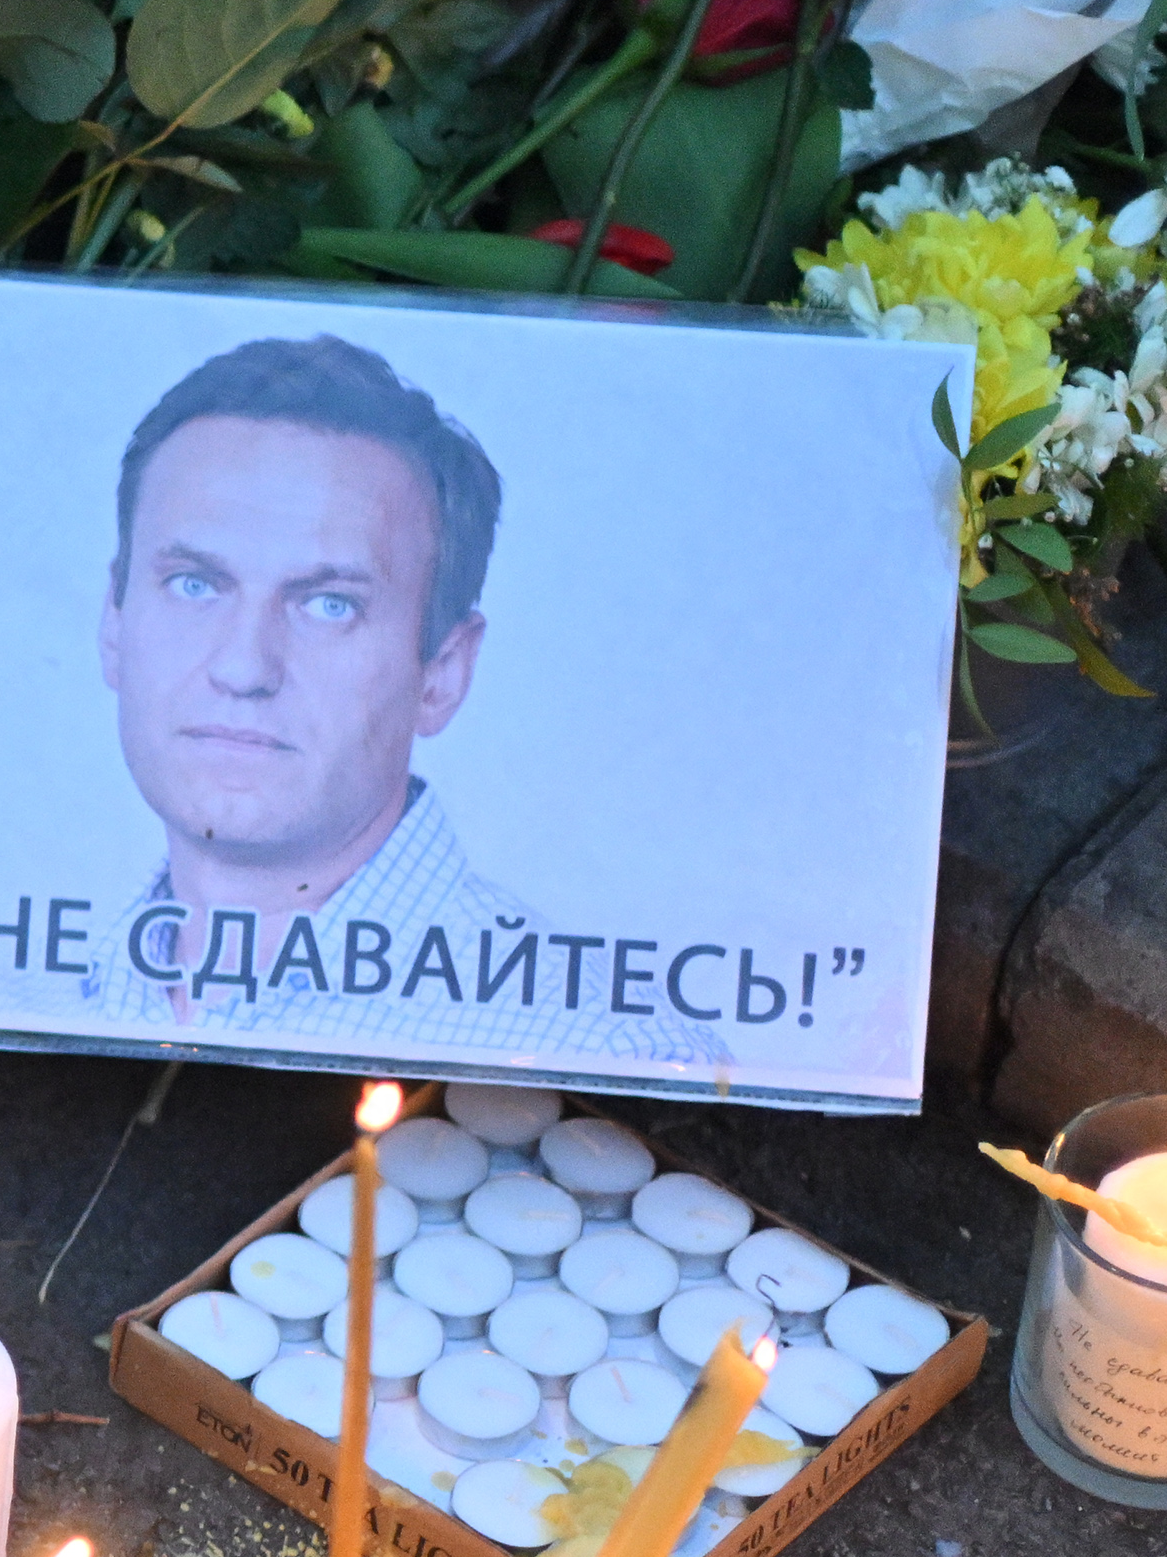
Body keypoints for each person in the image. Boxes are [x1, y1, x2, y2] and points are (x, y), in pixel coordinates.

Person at [48, 331, 716, 1070]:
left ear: (443, 673)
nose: (243, 666)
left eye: (329, 604)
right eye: (195, 585)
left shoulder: (609, 1049)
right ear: (113, 621)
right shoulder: (3, 1006)